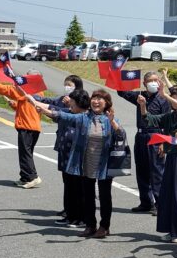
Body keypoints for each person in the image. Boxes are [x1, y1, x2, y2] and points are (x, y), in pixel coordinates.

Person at [32, 89, 122, 238]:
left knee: (105, 196)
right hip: (86, 162)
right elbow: (65, 116)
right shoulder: (84, 117)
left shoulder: (111, 119)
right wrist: (45, 111)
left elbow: (121, 135)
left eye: (100, 99)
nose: (96, 101)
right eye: (94, 98)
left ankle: (104, 227)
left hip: (105, 164)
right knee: (87, 195)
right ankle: (90, 226)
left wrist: (112, 122)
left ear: (106, 103)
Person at [140, 88, 177, 243]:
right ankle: (172, 230)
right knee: (169, 193)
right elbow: (149, 119)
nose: (175, 100)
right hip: (171, 156)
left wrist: (165, 95)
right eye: (173, 97)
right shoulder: (169, 116)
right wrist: (143, 106)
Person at [118, 70, 170, 215]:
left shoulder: (163, 98)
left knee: (157, 171)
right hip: (141, 135)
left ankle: (161, 204)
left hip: (156, 135)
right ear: (144, 83)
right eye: (150, 81)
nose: (154, 83)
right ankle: (146, 203)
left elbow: (167, 122)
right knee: (142, 170)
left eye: (156, 80)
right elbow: (122, 92)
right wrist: (119, 75)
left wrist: (164, 143)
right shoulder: (140, 96)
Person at [0, 75, 43, 188]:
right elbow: (26, 107)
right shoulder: (38, 92)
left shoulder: (26, 90)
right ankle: (25, 177)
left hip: (27, 127)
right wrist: (14, 104)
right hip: (34, 127)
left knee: (25, 154)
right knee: (27, 153)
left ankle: (32, 177)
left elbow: (10, 90)